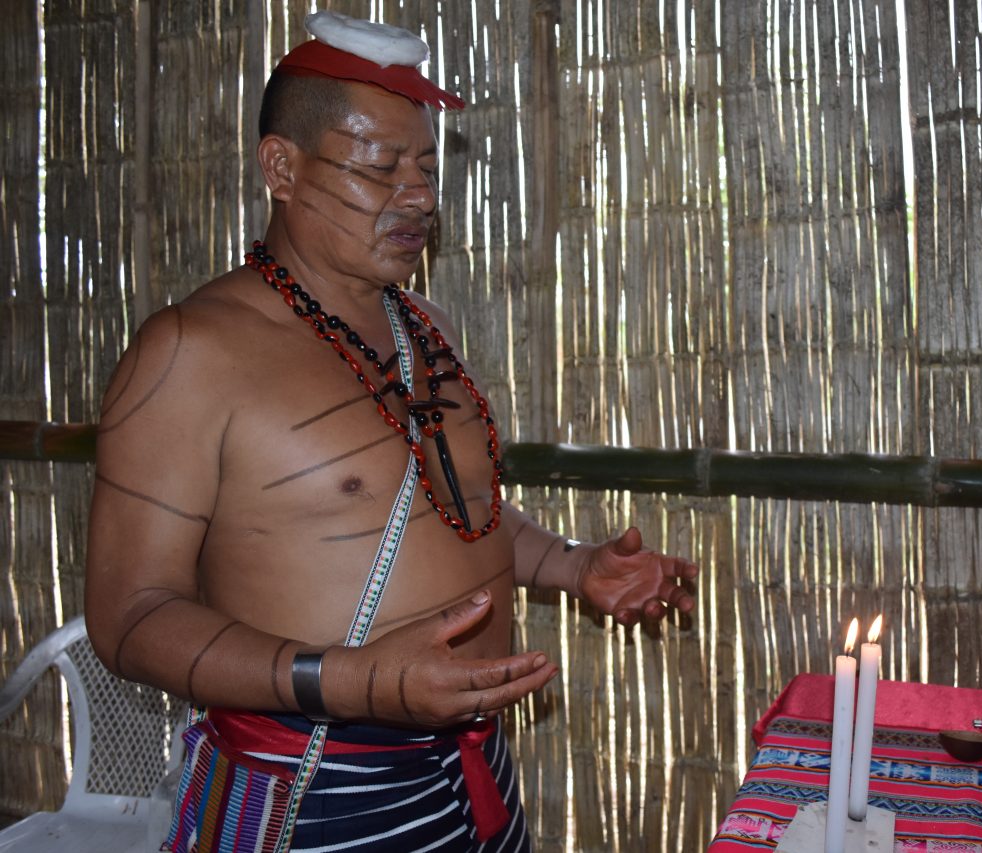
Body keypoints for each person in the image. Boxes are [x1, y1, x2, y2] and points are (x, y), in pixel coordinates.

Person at [84, 11, 697, 852]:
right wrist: (349, 679)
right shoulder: (190, 353)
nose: (419, 196)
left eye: (426, 167)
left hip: (475, 772)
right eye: (381, 167)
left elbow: (458, 511)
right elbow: (128, 616)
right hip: (312, 787)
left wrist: (577, 565)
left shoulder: (424, 329)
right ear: (282, 167)